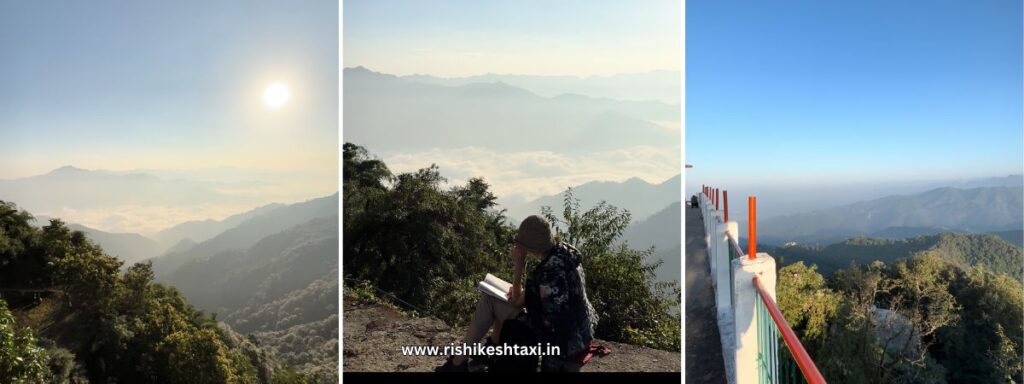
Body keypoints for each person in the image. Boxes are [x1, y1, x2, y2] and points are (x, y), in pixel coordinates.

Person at [437, 215, 598, 372]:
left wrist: (519, 264)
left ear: (528, 247)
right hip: (582, 333)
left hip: (559, 343)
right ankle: (491, 350)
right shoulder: (567, 253)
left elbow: (516, 302)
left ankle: (458, 363)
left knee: (490, 300)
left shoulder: (544, 274)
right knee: (498, 301)